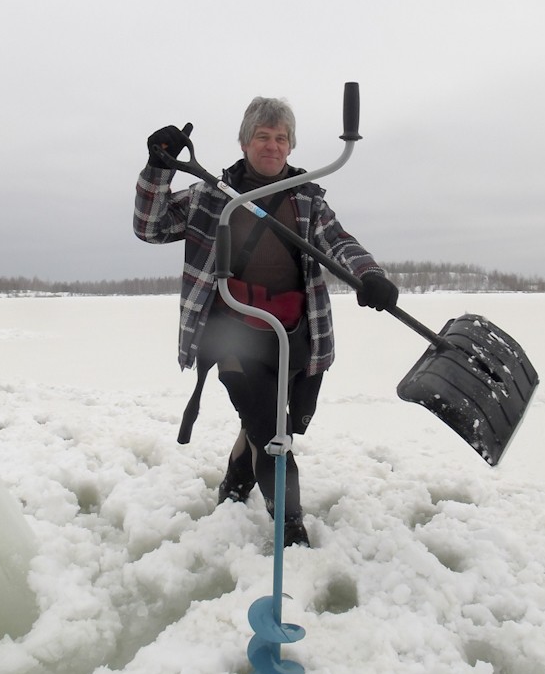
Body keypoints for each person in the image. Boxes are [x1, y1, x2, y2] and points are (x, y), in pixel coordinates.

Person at [134, 97, 398, 548]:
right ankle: (290, 531)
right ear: (244, 142)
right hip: (231, 333)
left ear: (291, 146)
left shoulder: (307, 198)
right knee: (270, 433)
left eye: (281, 138)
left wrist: (369, 275)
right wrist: (159, 169)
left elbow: (339, 243)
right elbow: (150, 225)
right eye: (263, 137)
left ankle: (234, 490)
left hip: (295, 337)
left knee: (276, 425)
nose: (272, 146)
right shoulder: (211, 196)